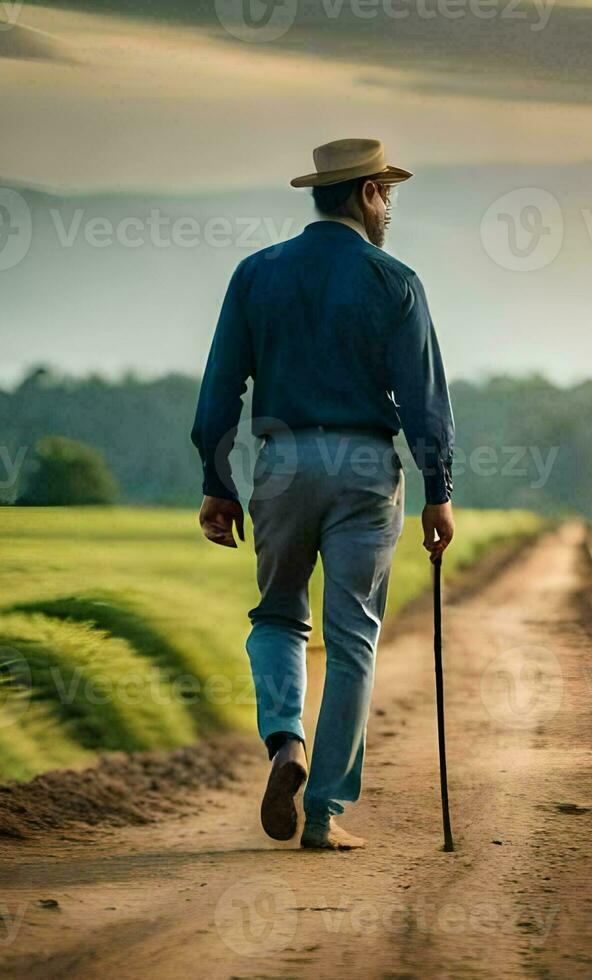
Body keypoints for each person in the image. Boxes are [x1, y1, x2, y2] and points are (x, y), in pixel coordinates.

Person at [190, 138, 455, 850]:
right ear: (368, 194)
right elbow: (424, 397)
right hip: (366, 468)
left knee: (277, 617)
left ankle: (286, 744)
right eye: (386, 193)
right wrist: (439, 490)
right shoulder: (393, 278)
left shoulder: (255, 274)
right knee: (352, 638)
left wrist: (218, 483)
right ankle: (325, 814)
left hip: (280, 462)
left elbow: (220, 387)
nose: (389, 207)